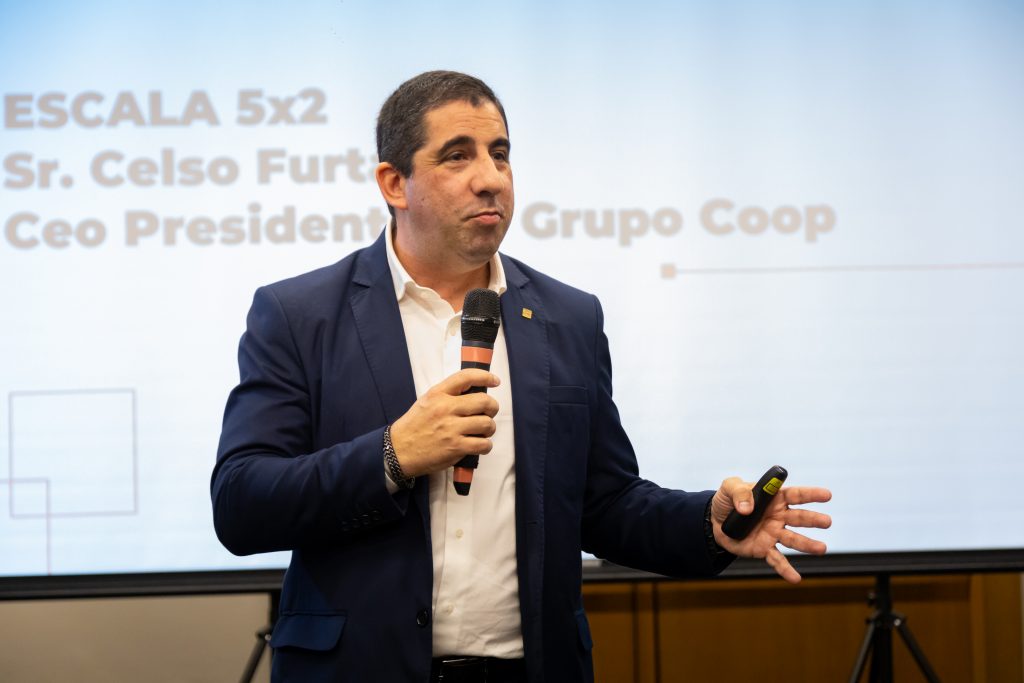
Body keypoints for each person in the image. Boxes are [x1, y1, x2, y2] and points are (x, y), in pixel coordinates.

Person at [211, 70, 831, 683]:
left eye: (500, 154)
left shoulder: (569, 317)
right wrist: (393, 455)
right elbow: (241, 503)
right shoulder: (300, 315)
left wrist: (710, 525)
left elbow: (605, 503)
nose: (491, 178)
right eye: (458, 156)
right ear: (395, 183)